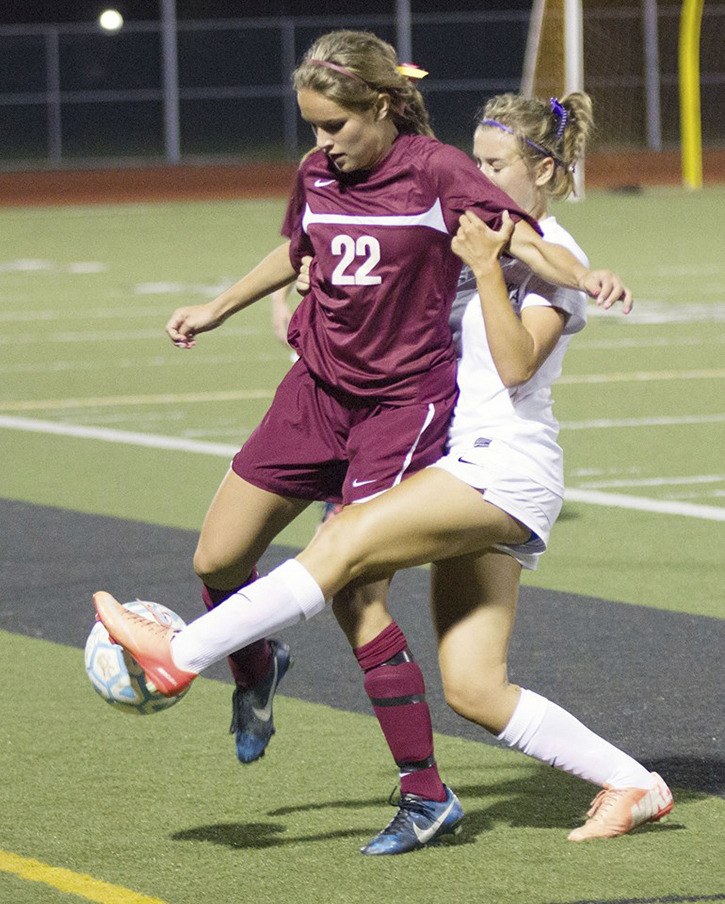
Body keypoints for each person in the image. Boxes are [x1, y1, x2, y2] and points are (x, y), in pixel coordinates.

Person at [94, 88, 672, 854]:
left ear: (541, 168)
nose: (478, 176)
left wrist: (489, 271)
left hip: (504, 468)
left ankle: (180, 655)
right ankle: (633, 782)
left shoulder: (539, 251)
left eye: (495, 165)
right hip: (455, 462)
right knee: (472, 687)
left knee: (342, 544)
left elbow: (512, 364)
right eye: (474, 160)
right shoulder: (467, 225)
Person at [150, 28, 630, 771]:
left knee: (353, 584)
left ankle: (420, 787)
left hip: (433, 429)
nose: (322, 141)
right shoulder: (326, 173)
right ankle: (252, 668)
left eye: (334, 124)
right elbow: (313, 248)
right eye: (312, 126)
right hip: (328, 397)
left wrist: (582, 274)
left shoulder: (449, 186)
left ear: (378, 106)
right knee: (219, 559)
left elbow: (531, 260)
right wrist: (229, 305)